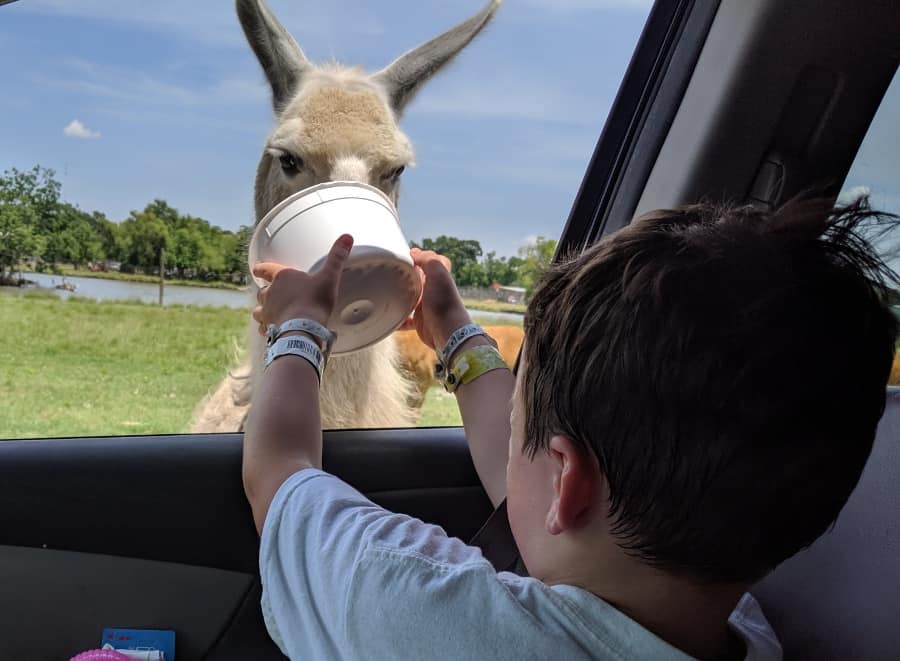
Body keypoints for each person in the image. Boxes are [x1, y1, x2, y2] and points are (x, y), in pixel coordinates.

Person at [243, 197, 899, 660]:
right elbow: (526, 470)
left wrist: (298, 327)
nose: (511, 435)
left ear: (568, 482)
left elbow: (277, 472)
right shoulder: (753, 633)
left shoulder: (421, 606)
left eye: (520, 415)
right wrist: (458, 335)